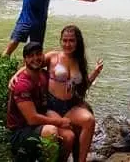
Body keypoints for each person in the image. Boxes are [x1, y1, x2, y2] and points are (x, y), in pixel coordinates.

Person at [6, 42, 76, 161]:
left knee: (69, 136)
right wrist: (59, 122)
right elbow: (32, 119)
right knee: (51, 131)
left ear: (43, 56)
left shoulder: (43, 75)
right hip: (20, 132)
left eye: (38, 54)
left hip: (38, 125)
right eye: (31, 56)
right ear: (25, 59)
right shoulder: (22, 84)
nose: (35, 58)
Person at [43, 25, 104, 162]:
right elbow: (30, 65)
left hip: (70, 105)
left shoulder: (79, 61)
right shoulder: (53, 57)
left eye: (71, 41)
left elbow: (82, 88)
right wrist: (15, 76)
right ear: (60, 41)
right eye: (64, 40)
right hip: (52, 106)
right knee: (68, 137)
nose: (67, 44)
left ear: (78, 42)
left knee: (89, 120)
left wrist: (95, 73)